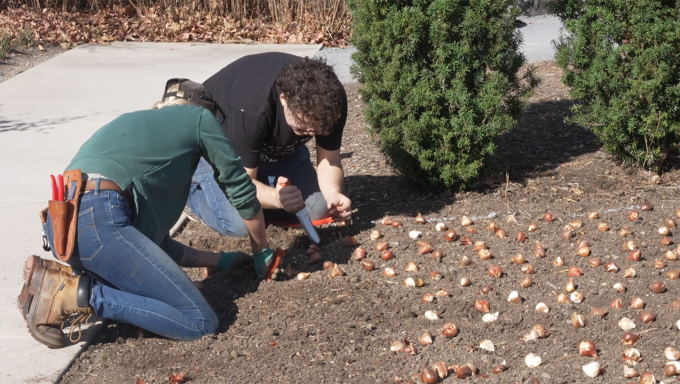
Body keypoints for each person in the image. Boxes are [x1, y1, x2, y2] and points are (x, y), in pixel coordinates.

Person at [17, 79, 274, 349]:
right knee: (200, 322)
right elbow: (241, 190)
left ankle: (51, 287)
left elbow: (154, 247)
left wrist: (221, 260)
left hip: (63, 227)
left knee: (148, 302)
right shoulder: (198, 118)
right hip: (101, 218)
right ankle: (77, 296)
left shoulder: (134, 131)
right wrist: (261, 251)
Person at [186, 52, 352, 238]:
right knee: (242, 226)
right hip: (216, 143)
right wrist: (276, 198)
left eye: (317, 128)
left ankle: (264, 189)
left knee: (318, 209)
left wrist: (333, 194)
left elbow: (330, 160)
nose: (312, 132)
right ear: (284, 100)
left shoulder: (331, 102)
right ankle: (190, 189)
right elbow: (243, 185)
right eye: (303, 126)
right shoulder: (252, 108)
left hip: (270, 147)